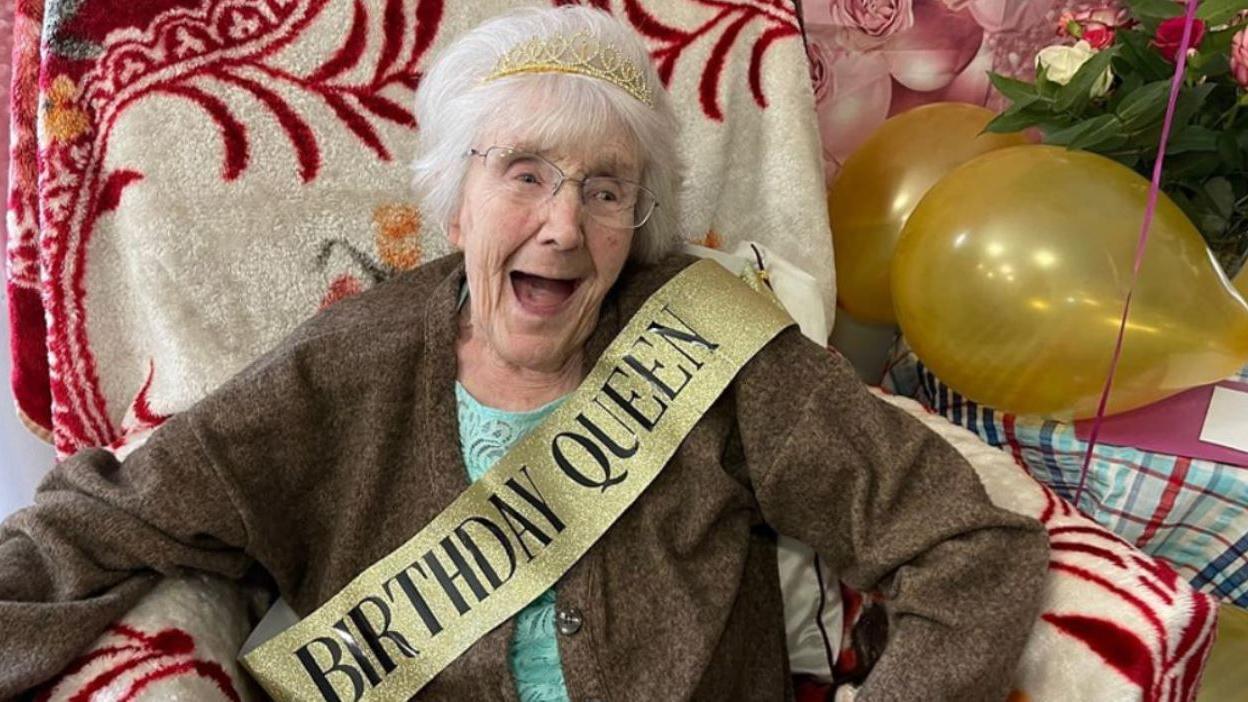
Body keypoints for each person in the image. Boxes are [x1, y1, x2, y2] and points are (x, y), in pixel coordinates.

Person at [0, 6, 1048, 701]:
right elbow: (109, 522)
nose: (562, 225)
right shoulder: (343, 367)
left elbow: (969, 548)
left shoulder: (713, 342)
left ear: (640, 219)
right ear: (456, 200)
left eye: (606, 189)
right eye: (525, 176)